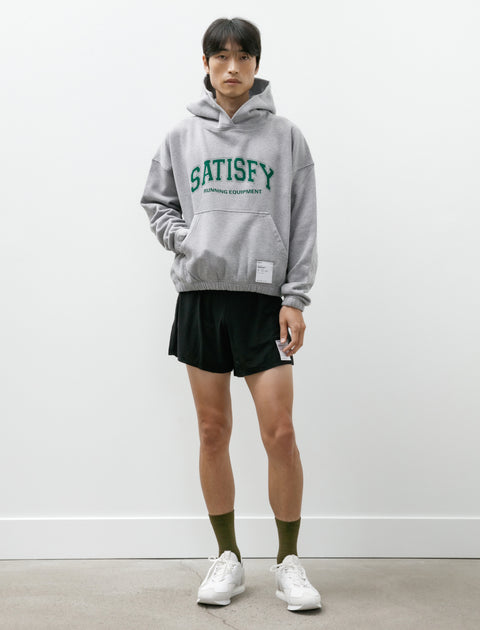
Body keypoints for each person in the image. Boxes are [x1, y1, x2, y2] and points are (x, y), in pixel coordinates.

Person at [140, 17, 321, 613]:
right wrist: (186, 239)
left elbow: (303, 221)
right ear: (207, 63)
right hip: (201, 296)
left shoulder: (286, 136)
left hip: (264, 301)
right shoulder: (180, 135)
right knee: (212, 431)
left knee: (281, 432)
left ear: (257, 64)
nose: (233, 67)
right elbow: (157, 202)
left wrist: (295, 298)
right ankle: (228, 557)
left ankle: (288, 561)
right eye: (222, 57)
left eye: (244, 57)